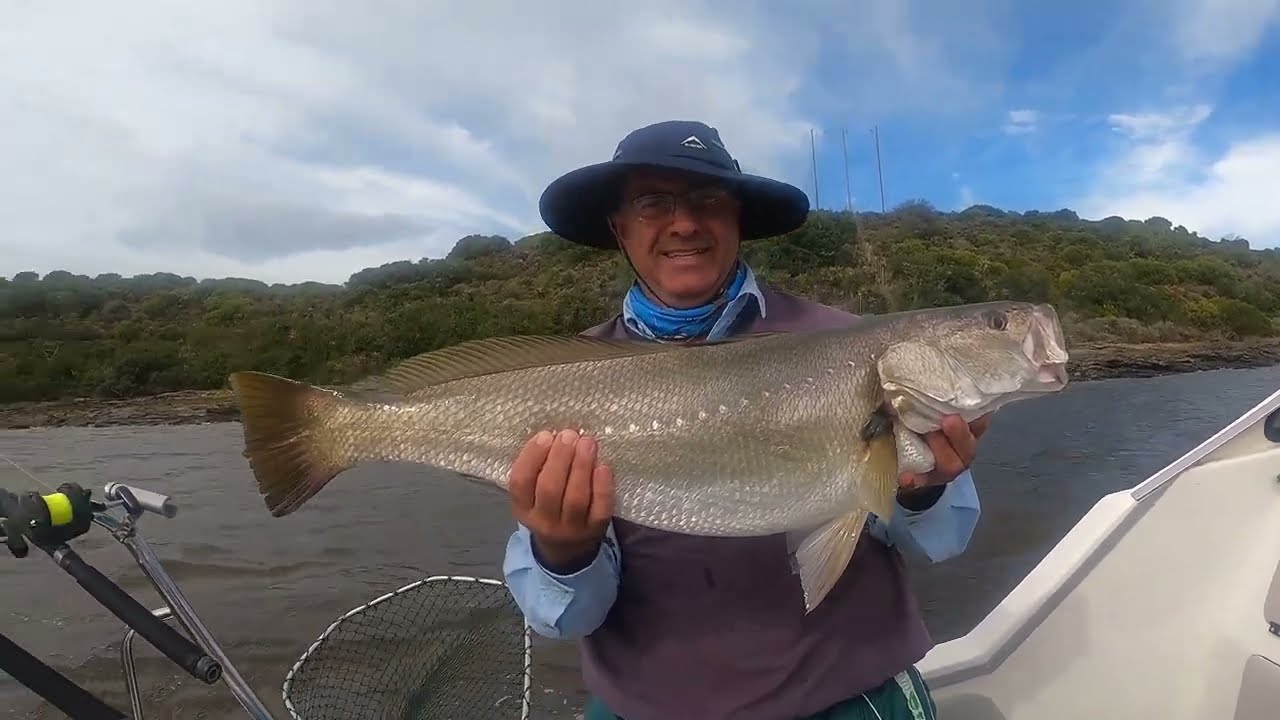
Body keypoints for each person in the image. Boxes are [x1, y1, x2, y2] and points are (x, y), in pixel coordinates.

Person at [501, 120, 990, 720]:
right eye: (654, 203)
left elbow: (944, 540)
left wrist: (924, 490)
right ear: (618, 228)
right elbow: (564, 615)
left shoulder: (855, 346)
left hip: (849, 698)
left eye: (709, 199)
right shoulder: (564, 384)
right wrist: (562, 548)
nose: (684, 223)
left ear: (737, 220)